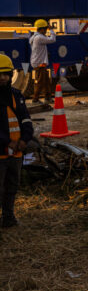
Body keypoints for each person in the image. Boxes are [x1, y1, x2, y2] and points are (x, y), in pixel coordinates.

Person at [0, 54, 34, 227]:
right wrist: (7, 142)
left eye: (6, 74)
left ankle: (8, 218)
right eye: (0, 75)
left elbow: (26, 119)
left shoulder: (16, 95)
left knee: (12, 187)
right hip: (2, 154)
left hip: (16, 153)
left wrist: (25, 139)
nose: (3, 78)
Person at [29, 19, 56, 103]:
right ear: (41, 29)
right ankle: (35, 99)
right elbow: (52, 39)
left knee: (46, 82)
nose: (45, 31)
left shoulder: (34, 37)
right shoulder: (39, 37)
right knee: (40, 82)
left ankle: (47, 97)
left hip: (40, 63)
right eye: (45, 29)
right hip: (39, 63)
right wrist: (51, 30)